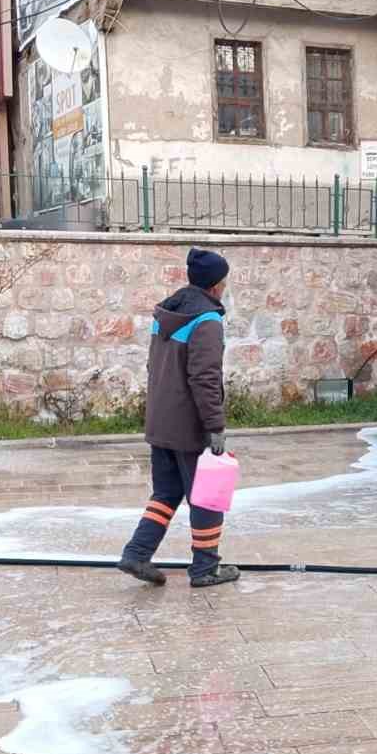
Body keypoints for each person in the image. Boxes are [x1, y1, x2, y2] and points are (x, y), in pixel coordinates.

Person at [116, 248, 239, 588]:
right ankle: (204, 569)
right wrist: (214, 427)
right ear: (216, 285)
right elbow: (205, 378)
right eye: (224, 281)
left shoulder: (167, 313)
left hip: (160, 422)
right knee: (207, 495)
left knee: (167, 492)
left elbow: (154, 367)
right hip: (188, 426)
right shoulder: (207, 321)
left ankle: (137, 554)